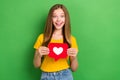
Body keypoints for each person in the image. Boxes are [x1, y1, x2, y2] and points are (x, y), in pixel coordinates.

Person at [33, 4, 79, 80]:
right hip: (46, 76)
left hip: (65, 75)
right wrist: (38, 54)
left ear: (66, 18)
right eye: (54, 16)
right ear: (50, 19)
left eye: (62, 16)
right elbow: (36, 65)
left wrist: (74, 58)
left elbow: (74, 69)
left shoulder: (70, 39)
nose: (58, 19)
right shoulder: (42, 37)